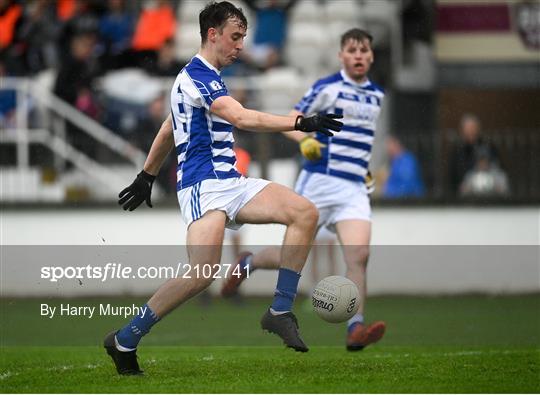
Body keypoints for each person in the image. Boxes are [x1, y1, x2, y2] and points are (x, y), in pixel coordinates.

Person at [104, 1, 343, 375]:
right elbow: (242, 117)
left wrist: (147, 175)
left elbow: (170, 127)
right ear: (212, 34)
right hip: (203, 187)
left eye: (243, 38)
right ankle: (125, 338)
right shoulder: (197, 76)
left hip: (231, 182)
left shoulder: (206, 77)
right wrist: (302, 122)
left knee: (304, 213)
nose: (240, 46)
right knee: (202, 274)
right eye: (235, 37)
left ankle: (280, 310)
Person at [221, 28, 386, 351]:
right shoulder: (327, 87)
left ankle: (356, 327)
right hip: (320, 180)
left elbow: (359, 142)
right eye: (351, 50)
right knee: (292, 254)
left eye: (364, 50)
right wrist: (308, 140)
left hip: (353, 187)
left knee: (360, 255)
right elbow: (293, 119)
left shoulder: (376, 95)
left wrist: (363, 170)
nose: (358, 56)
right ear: (341, 55)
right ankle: (249, 262)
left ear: (371, 56)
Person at [448, 113, 500, 196]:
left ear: (478, 129)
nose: (470, 131)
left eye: (473, 128)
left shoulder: (488, 147)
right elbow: (452, 174)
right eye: (468, 129)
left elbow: (497, 167)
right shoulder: (457, 150)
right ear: (462, 131)